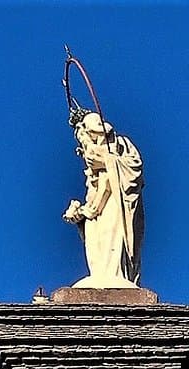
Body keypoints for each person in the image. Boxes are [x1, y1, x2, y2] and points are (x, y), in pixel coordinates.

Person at [63, 112, 145, 288]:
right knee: (95, 239)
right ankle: (101, 276)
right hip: (97, 210)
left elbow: (130, 171)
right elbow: (95, 194)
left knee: (111, 236)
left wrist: (88, 210)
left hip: (114, 204)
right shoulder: (93, 165)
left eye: (85, 139)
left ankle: (113, 277)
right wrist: (81, 213)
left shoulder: (119, 145)